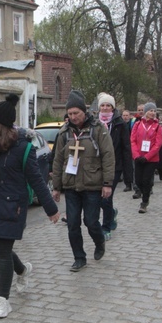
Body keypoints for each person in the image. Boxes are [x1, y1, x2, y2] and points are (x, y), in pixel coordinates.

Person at [0, 94, 60, 318]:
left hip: (13, 207)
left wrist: (51, 208)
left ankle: (3, 300)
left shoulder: (23, 148)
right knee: (0, 251)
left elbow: (37, 180)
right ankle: (23, 269)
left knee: (4, 252)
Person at [52, 90, 115, 272]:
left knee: (91, 221)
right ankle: (79, 258)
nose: (73, 117)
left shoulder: (98, 129)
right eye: (70, 114)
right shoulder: (64, 133)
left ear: (84, 111)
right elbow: (57, 161)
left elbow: (108, 156)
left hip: (92, 184)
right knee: (72, 224)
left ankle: (99, 241)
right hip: (71, 185)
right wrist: (56, 187)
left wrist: (107, 184)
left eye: (76, 113)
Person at [97, 93, 131, 239]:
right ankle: (111, 214)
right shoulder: (93, 123)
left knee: (106, 197)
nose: (105, 108)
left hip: (115, 166)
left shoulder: (119, 124)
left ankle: (106, 227)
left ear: (113, 107)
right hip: (97, 166)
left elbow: (126, 148)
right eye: (103, 105)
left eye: (108, 105)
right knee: (98, 198)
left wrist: (128, 172)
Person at [130, 102, 162, 213]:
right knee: (138, 181)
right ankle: (144, 193)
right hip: (139, 157)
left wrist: (148, 157)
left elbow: (158, 144)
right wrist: (136, 155)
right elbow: (133, 140)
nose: (152, 113)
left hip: (151, 159)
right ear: (145, 112)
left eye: (154, 111)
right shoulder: (137, 124)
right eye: (150, 111)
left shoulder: (157, 126)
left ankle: (144, 201)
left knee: (146, 180)